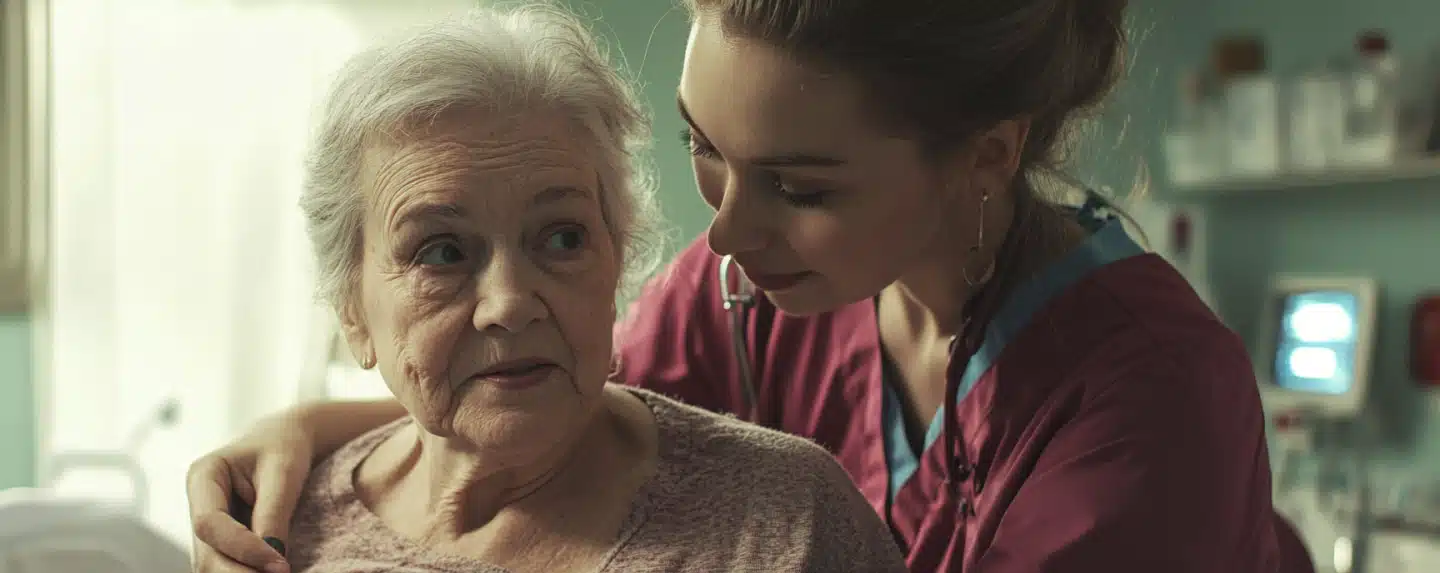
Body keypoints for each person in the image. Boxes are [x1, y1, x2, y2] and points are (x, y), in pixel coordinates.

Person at [189, 0, 1305, 571]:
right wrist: (317, 433)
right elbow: (555, 390)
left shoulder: (1148, 406)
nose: (724, 228)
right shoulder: (760, 281)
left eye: (798, 185)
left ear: (986, 156)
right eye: (704, 150)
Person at [187, 6, 909, 573]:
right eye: (441, 251)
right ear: (351, 309)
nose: (509, 301)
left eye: (562, 237)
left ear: (617, 257)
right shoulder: (274, 529)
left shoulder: (790, 525)